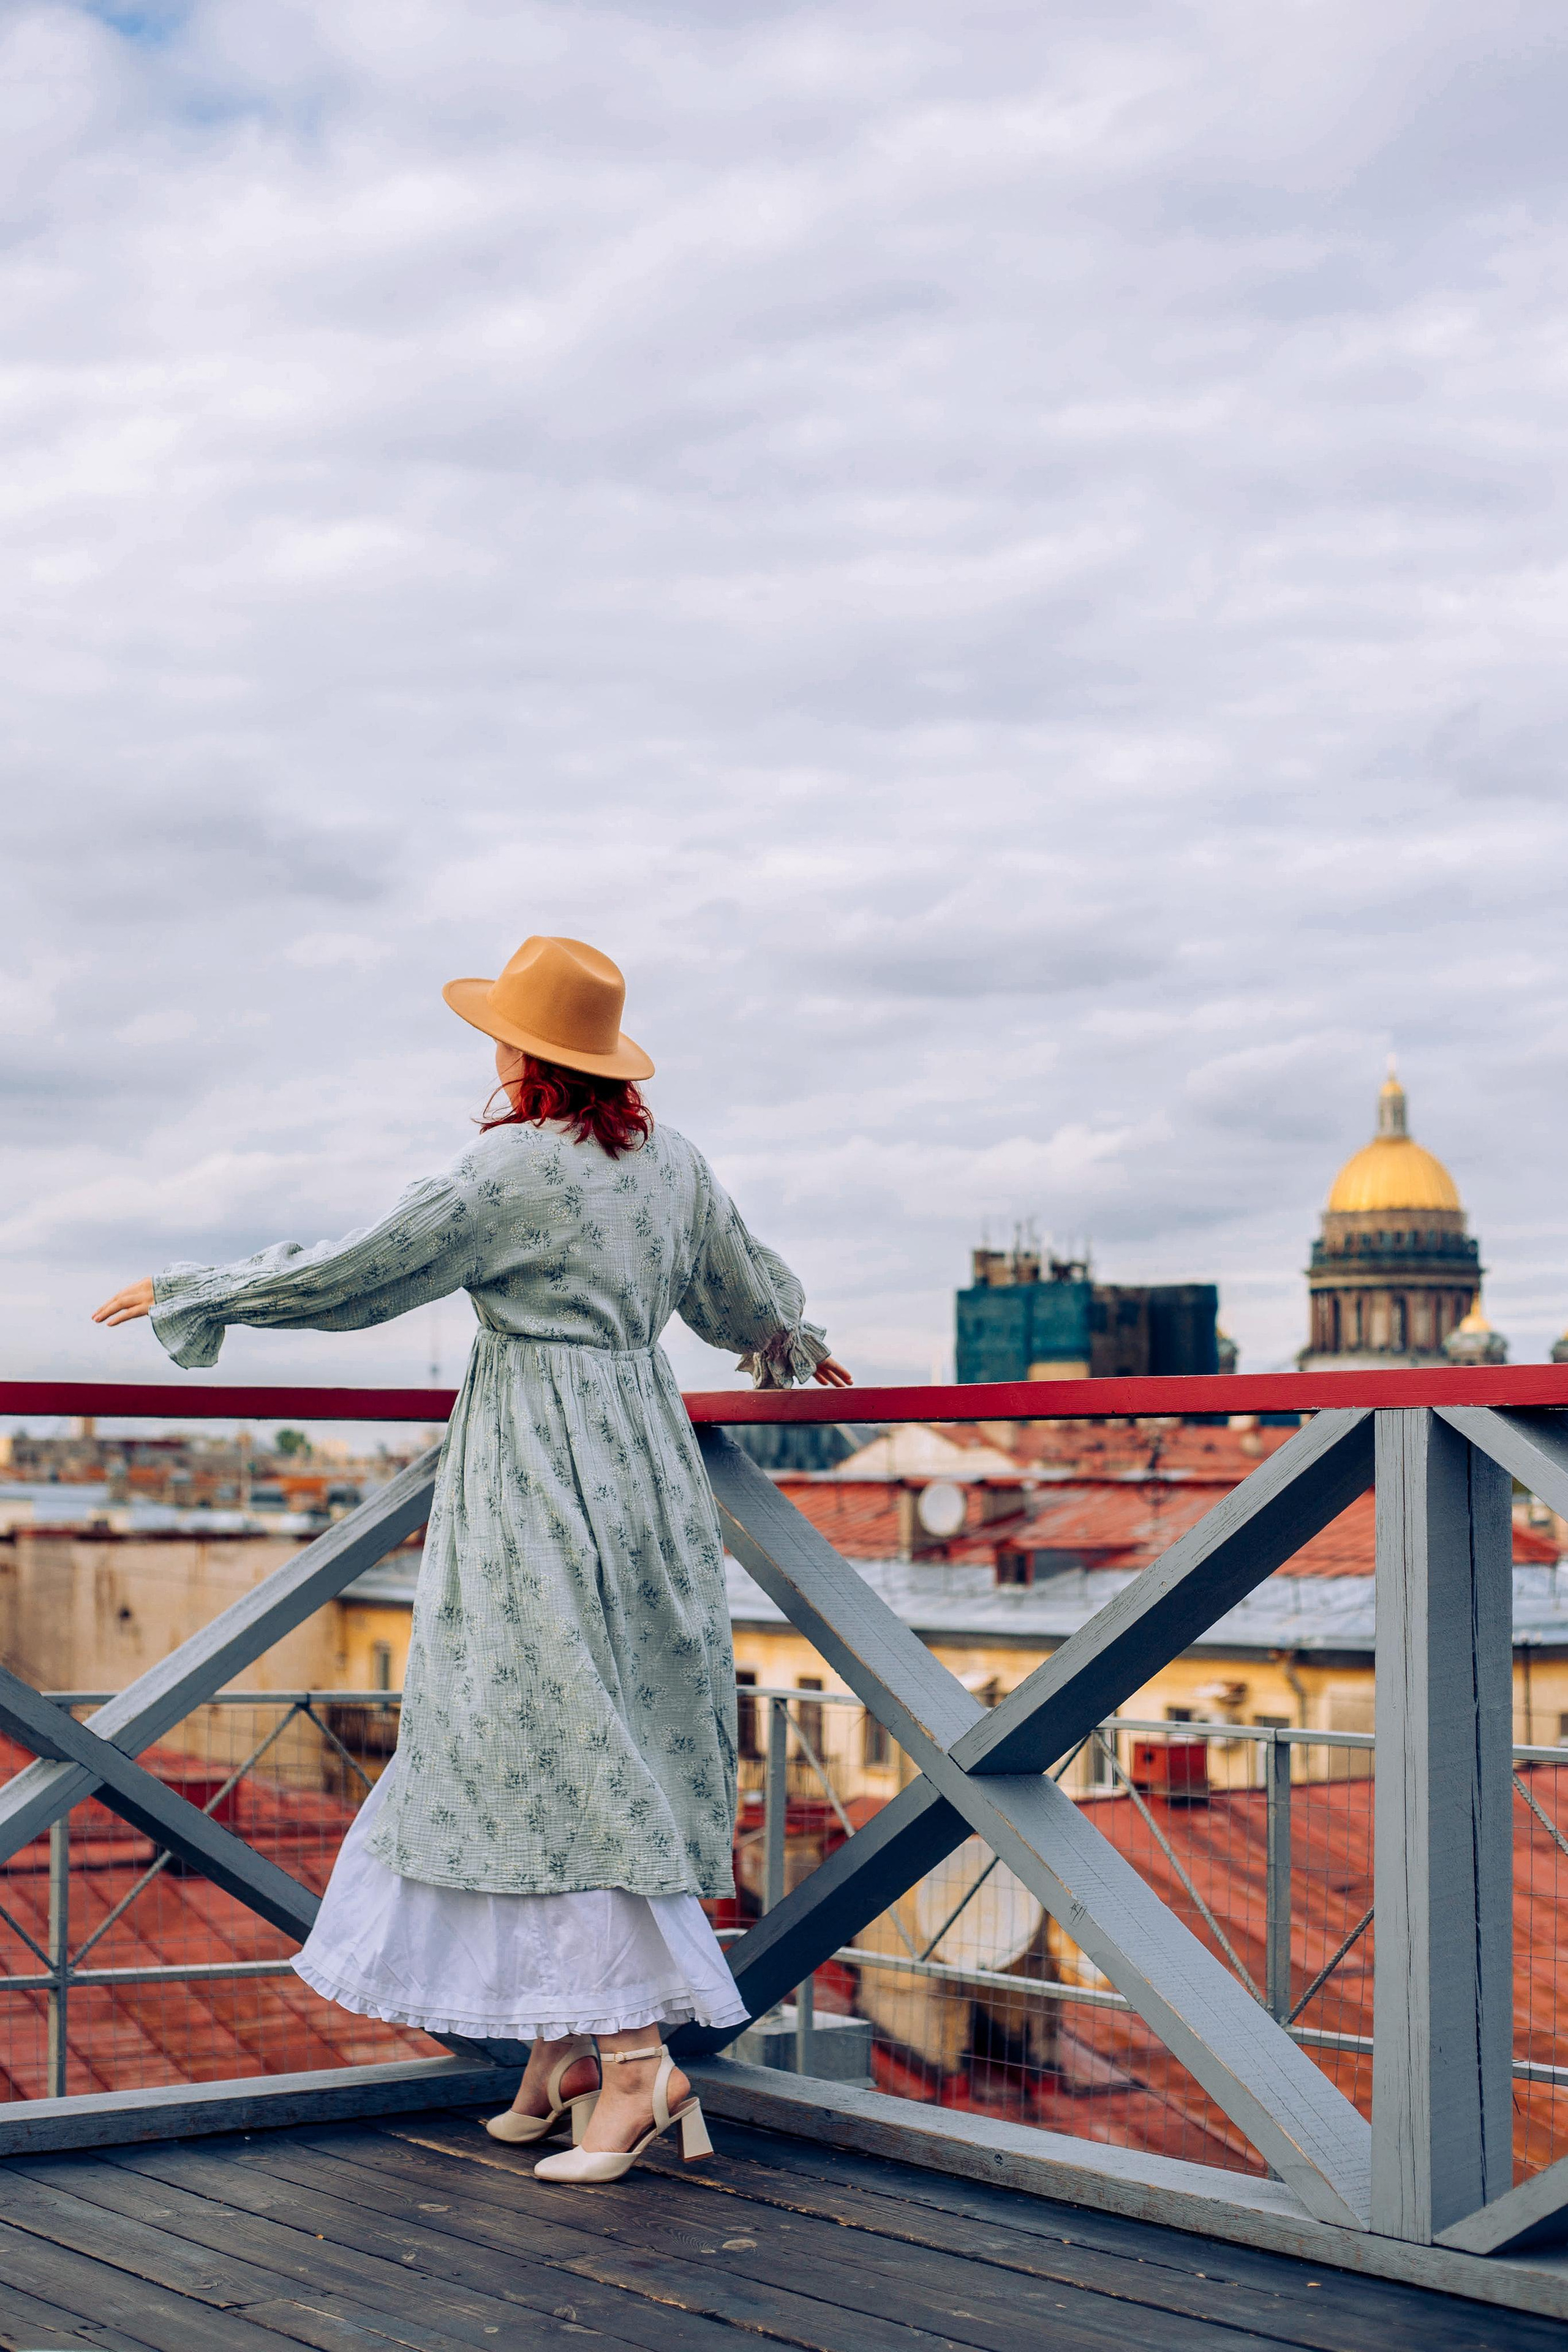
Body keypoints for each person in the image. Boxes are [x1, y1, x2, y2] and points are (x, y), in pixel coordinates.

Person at [94, 933, 851, 2184]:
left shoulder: (504, 1169)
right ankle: (555, 2053)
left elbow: (358, 1274)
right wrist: (791, 1339)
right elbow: (741, 1299)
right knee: (601, 1736)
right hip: (646, 1467)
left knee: (548, 1747)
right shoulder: (673, 1164)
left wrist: (196, 1285)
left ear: (521, 1053)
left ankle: (631, 2068)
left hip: (536, 1468)